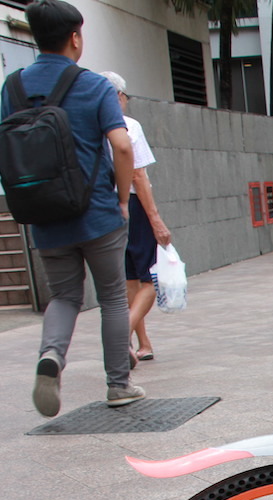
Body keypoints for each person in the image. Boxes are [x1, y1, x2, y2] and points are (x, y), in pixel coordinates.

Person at [4, 0, 141, 416]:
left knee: (63, 296)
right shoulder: (94, 85)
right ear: (75, 37)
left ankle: (52, 357)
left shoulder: (13, 87)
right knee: (113, 297)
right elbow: (121, 145)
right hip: (96, 211)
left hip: (44, 213)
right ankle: (119, 384)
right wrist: (121, 199)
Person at [100, 71, 171, 364]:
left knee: (129, 279)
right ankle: (120, 339)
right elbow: (139, 175)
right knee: (149, 281)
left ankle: (142, 343)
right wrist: (156, 220)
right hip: (131, 202)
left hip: (101, 206)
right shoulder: (127, 126)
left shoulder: (87, 126)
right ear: (118, 97)